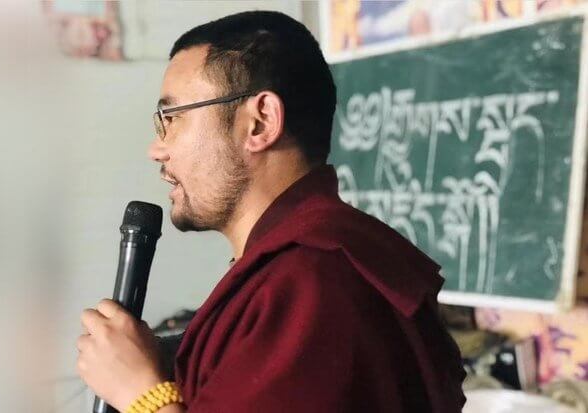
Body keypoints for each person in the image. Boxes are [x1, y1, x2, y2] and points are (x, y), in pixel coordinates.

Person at [76, 10, 466, 413]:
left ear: (260, 123)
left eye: (171, 118)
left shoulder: (313, 283)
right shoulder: (300, 268)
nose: (156, 149)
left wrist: (141, 393)